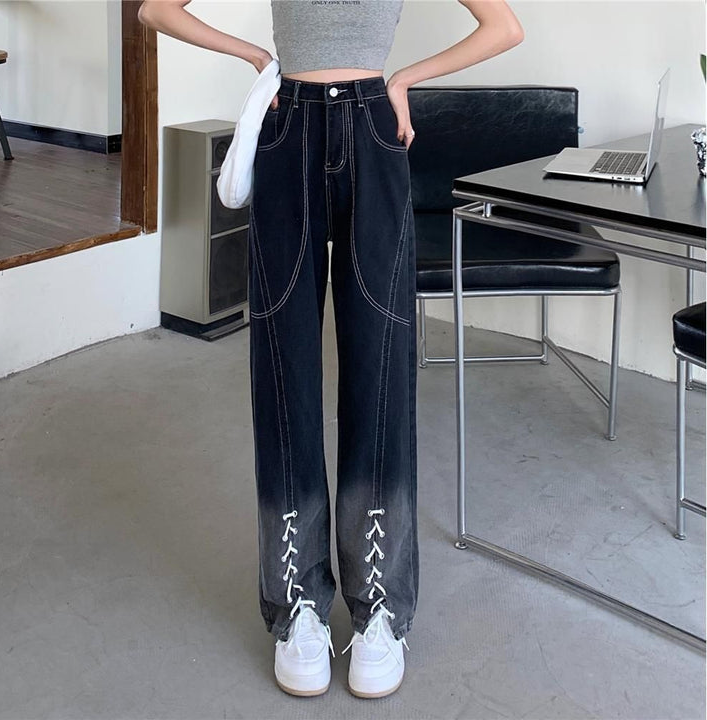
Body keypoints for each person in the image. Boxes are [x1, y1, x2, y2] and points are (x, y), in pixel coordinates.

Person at [139, 0, 523, 700]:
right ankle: (298, 604)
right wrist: (257, 57)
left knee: (381, 370)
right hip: (287, 130)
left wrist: (404, 79)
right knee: (283, 368)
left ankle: (381, 606)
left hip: (373, 128)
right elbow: (156, 11)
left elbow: (503, 27)